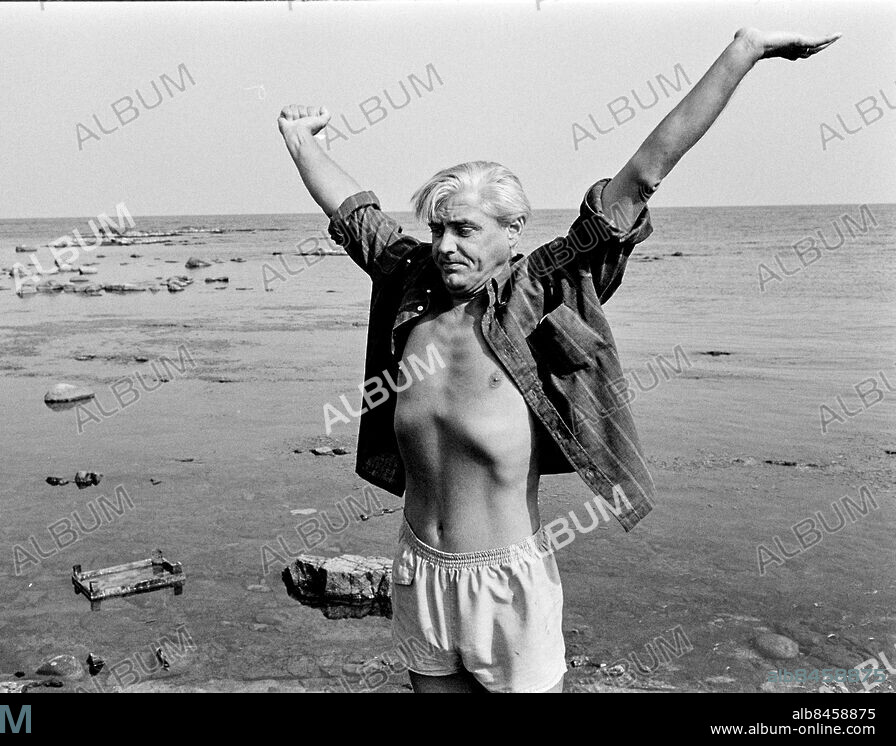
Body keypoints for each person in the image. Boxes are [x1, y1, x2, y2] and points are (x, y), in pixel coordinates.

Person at [279, 27, 839, 693]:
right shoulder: (411, 282)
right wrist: (302, 139)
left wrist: (745, 51)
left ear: (512, 232)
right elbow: (352, 211)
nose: (447, 246)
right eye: (437, 229)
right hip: (418, 569)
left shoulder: (540, 292)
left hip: (506, 580)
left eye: (466, 230)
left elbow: (642, 177)